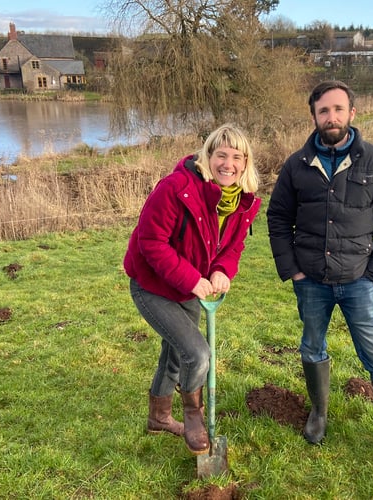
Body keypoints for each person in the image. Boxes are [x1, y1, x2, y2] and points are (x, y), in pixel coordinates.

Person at [266, 80, 373, 476]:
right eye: (323, 111)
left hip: (359, 281)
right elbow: (278, 218)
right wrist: (293, 270)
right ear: (314, 116)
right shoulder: (296, 166)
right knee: (312, 347)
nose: (330, 117)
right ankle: (318, 412)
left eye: (337, 109)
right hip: (311, 280)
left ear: (352, 113)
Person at [124, 124, 261, 455]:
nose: (228, 164)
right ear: (208, 156)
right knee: (197, 353)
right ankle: (193, 417)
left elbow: (232, 246)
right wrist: (191, 279)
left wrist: (222, 270)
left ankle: (159, 418)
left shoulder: (244, 202)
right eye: (221, 155)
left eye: (237, 157)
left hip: (190, 289)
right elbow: (151, 242)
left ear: (246, 163)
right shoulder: (176, 188)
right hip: (152, 285)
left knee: (175, 353)